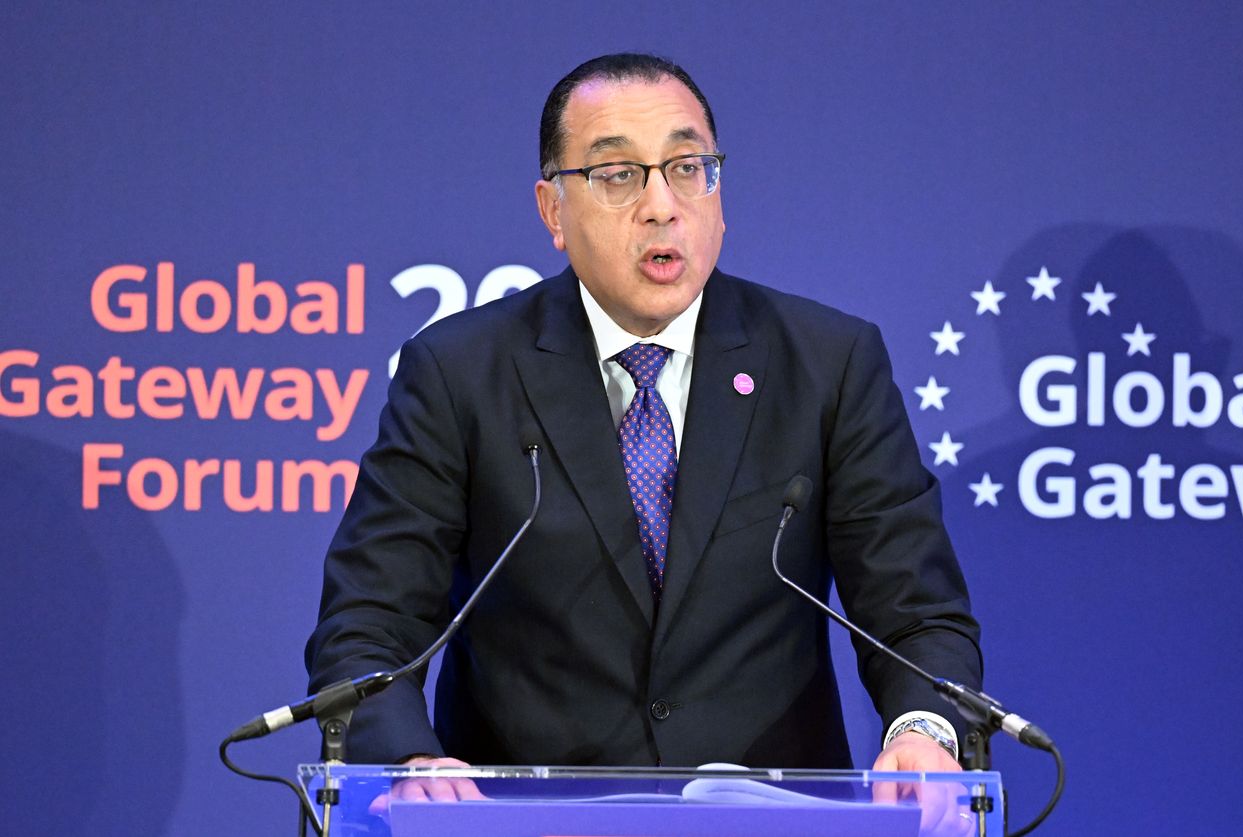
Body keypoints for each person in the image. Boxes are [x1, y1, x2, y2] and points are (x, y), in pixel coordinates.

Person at [305, 53, 983, 804]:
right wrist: (408, 758)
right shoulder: (459, 371)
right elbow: (370, 621)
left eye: (688, 167)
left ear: (719, 195)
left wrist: (922, 725)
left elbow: (914, 612)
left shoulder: (828, 363)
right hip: (524, 823)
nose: (662, 205)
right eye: (619, 175)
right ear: (553, 210)